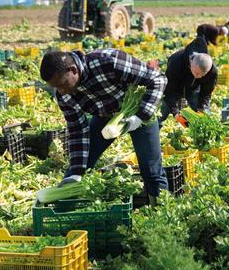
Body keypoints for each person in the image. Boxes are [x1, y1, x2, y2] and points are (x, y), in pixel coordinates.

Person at [40, 49, 168, 204]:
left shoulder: (108, 62)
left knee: (151, 170)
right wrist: (76, 172)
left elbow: (157, 79)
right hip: (105, 117)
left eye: (62, 85)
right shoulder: (64, 95)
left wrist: (141, 117)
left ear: (73, 70)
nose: (61, 91)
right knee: (78, 169)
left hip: (137, 110)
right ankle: (69, 210)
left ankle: (160, 209)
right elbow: (77, 131)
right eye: (56, 87)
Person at [159, 51, 217, 126]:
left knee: (204, 115)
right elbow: (167, 92)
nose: (197, 76)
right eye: (196, 72)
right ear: (191, 63)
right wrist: (175, 113)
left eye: (202, 74)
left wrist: (201, 109)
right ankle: (157, 128)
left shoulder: (212, 72)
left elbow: (206, 93)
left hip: (193, 89)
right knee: (163, 112)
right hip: (175, 87)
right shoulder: (176, 63)